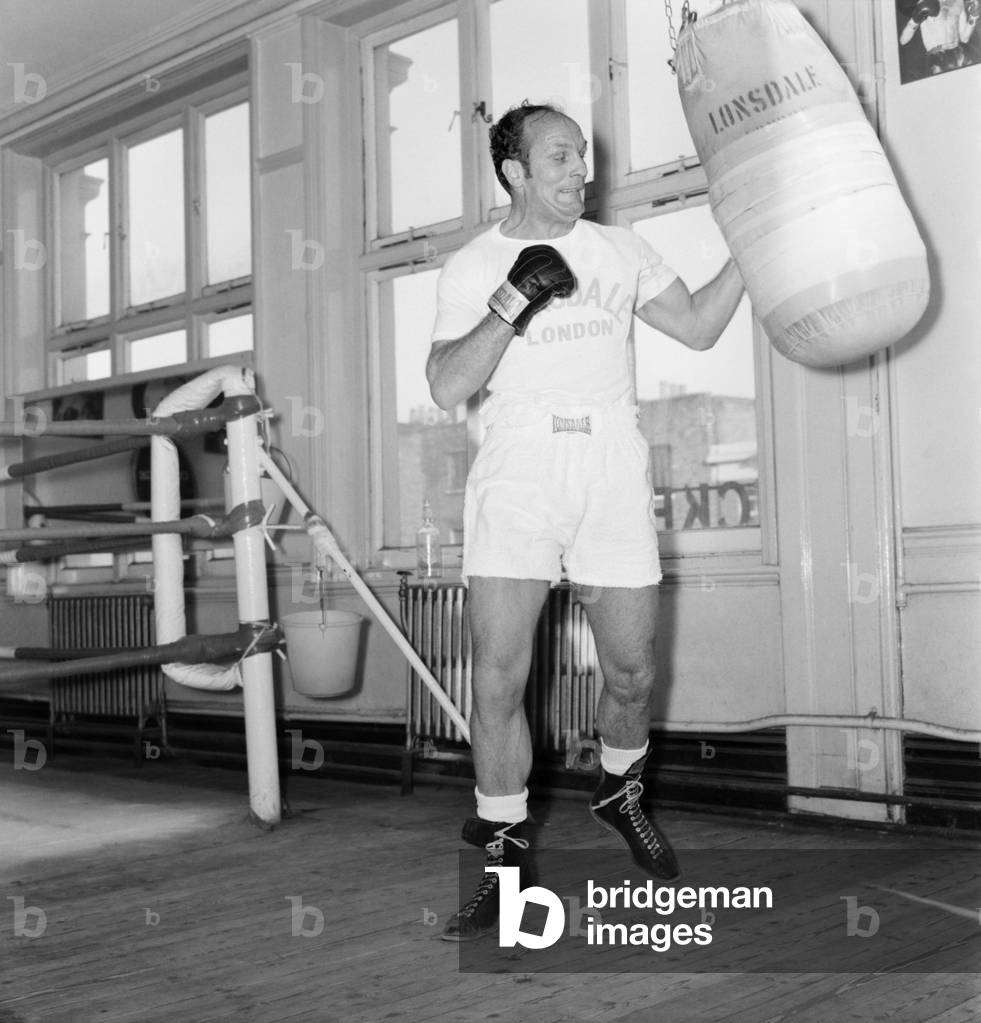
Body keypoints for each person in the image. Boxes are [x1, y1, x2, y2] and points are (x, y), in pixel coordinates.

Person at [426, 102, 744, 942]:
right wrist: (509, 301)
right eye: (561, 157)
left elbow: (703, 329)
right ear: (514, 172)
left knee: (633, 671)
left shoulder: (621, 250)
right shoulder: (470, 265)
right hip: (519, 470)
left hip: (608, 465)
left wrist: (749, 245)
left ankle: (617, 787)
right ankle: (502, 864)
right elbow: (445, 387)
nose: (581, 171)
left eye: (584, 156)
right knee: (497, 678)